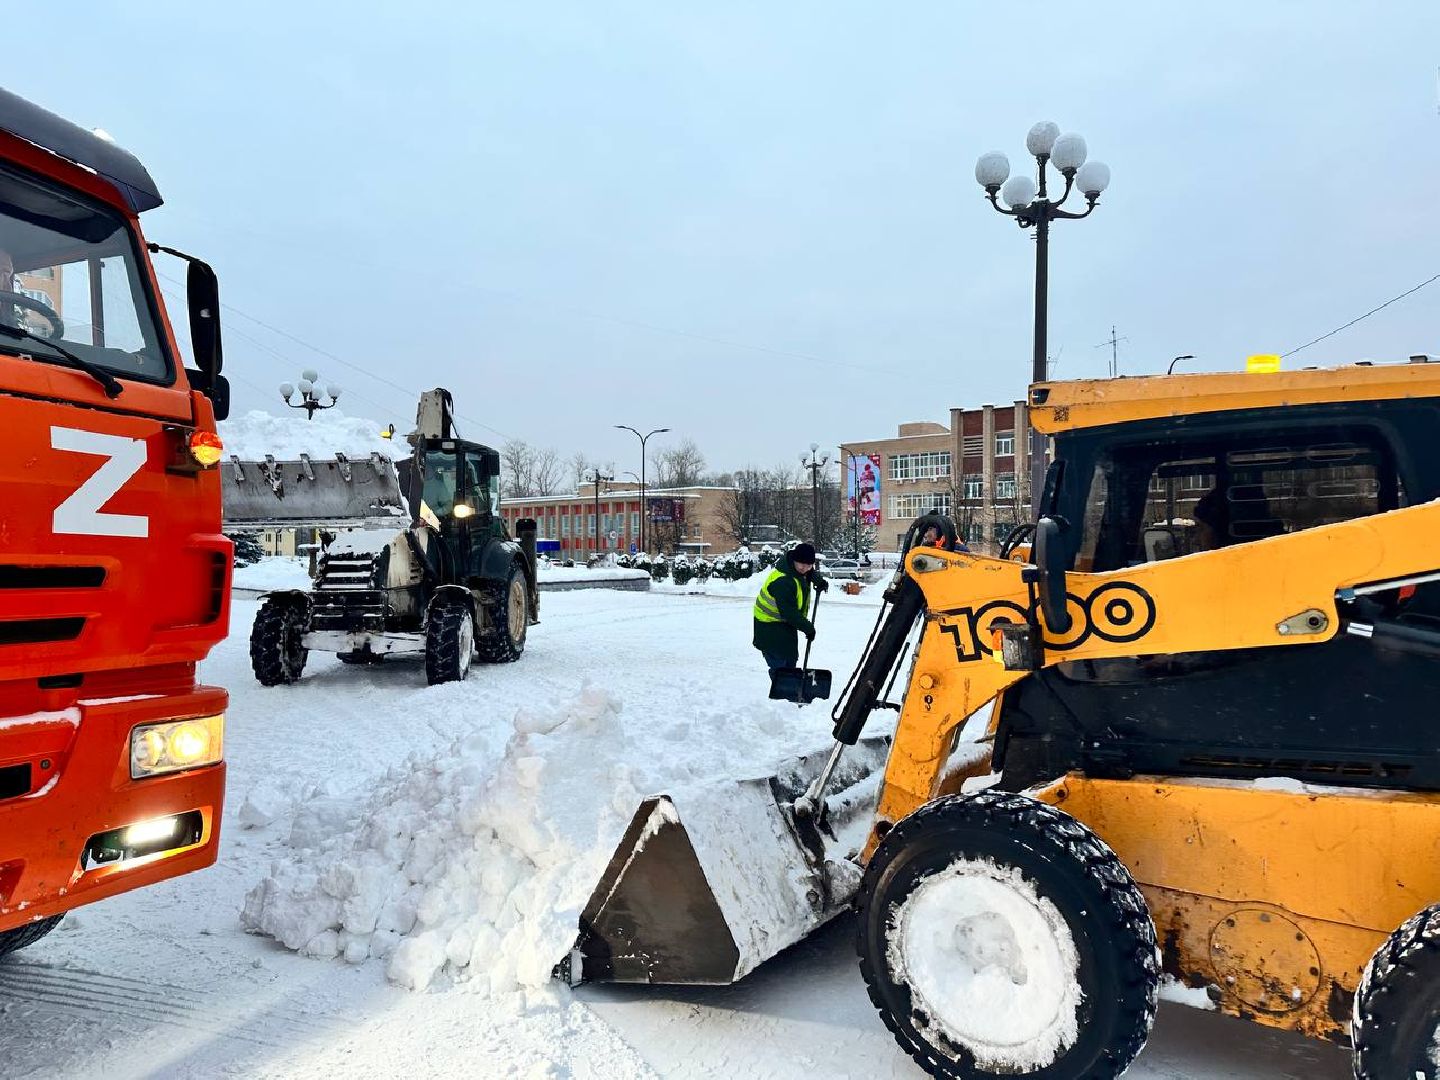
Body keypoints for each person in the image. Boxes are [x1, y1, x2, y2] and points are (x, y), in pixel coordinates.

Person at [752, 541, 827, 671]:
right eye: (802, 565)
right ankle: (782, 689)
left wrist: (819, 581)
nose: (805, 568)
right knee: (779, 665)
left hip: (785, 624)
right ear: (794, 561)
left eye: (809, 565)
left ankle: (789, 686)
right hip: (769, 626)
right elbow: (789, 612)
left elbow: (809, 573)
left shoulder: (798, 569)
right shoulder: (783, 581)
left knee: (790, 658)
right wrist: (808, 628)